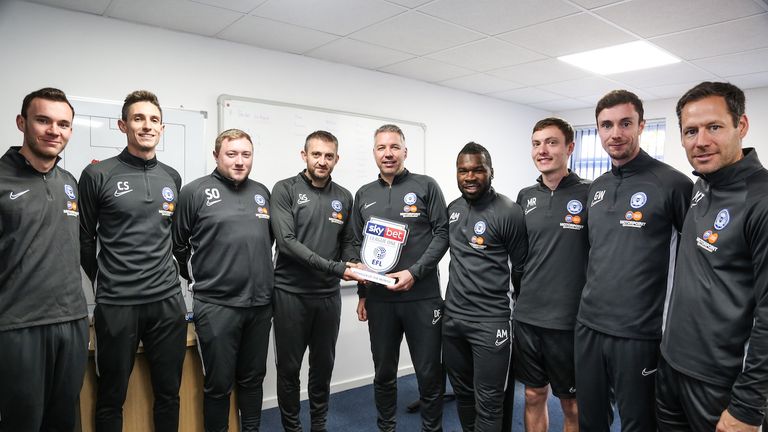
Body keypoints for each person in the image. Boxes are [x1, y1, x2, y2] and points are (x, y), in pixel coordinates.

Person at [575, 90, 692, 431]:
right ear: (597, 130)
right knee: (590, 420)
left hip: (640, 333)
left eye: (625, 123)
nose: (616, 133)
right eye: (606, 125)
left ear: (641, 125)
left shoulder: (673, 184)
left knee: (639, 423)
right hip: (589, 326)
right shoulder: (595, 187)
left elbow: (694, 263)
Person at [658, 82, 768, 431]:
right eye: (691, 131)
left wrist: (748, 407)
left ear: (742, 126)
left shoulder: (761, 201)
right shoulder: (701, 187)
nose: (701, 140)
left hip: (722, 385)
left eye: (714, 127)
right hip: (672, 366)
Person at [79, 90, 187, 431]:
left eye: (154, 120)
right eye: (138, 118)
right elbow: (84, 238)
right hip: (117, 303)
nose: (147, 125)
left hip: (168, 303)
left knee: (169, 393)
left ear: (162, 127)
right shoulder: (98, 175)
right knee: (111, 396)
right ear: (123, 124)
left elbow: (172, 236)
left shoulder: (172, 176)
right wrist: (108, 276)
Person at [172, 128, 273, 432]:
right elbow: (178, 245)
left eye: (246, 154)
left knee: (253, 379)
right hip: (217, 307)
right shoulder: (195, 191)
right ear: (216, 155)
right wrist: (204, 278)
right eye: (232, 154)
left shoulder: (262, 192)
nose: (240, 161)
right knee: (218, 384)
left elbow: (264, 242)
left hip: (259, 305)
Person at [0, 87, 88, 431]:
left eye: (63, 124)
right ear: (22, 122)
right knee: (23, 423)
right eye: (43, 120)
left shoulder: (68, 181)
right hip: (18, 325)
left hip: (72, 320)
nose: (55, 131)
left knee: (64, 420)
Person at [352, 124, 449, 432]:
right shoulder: (364, 194)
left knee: (428, 373)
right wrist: (362, 294)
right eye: (382, 148)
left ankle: (431, 428)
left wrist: (414, 272)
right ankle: (386, 427)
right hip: (380, 301)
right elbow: (356, 246)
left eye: (394, 147)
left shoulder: (426, 185)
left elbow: (443, 233)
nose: (388, 153)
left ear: (405, 151)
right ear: (374, 153)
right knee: (383, 373)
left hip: (422, 297)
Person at [270, 130, 364, 432]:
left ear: (336, 159)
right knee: (289, 369)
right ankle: (292, 428)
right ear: (304, 155)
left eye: (328, 156)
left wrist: (350, 260)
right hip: (289, 294)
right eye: (316, 154)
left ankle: (318, 425)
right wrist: (336, 268)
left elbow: (349, 241)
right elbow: (286, 242)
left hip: (327, 297)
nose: (322, 161)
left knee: (322, 368)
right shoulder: (284, 190)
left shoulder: (343, 196)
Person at [512, 118, 590, 432]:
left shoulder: (589, 193)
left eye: (551, 142)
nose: (542, 150)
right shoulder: (525, 196)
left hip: (568, 323)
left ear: (569, 148)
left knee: (571, 403)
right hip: (528, 317)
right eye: (536, 143)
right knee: (532, 394)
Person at [443, 142, 527, 431]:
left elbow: (521, 268)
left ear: (491, 171)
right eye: (463, 170)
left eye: (478, 170)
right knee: (463, 395)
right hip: (452, 319)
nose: (469, 176)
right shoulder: (452, 209)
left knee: (490, 401)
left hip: (490, 322)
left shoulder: (508, 211)